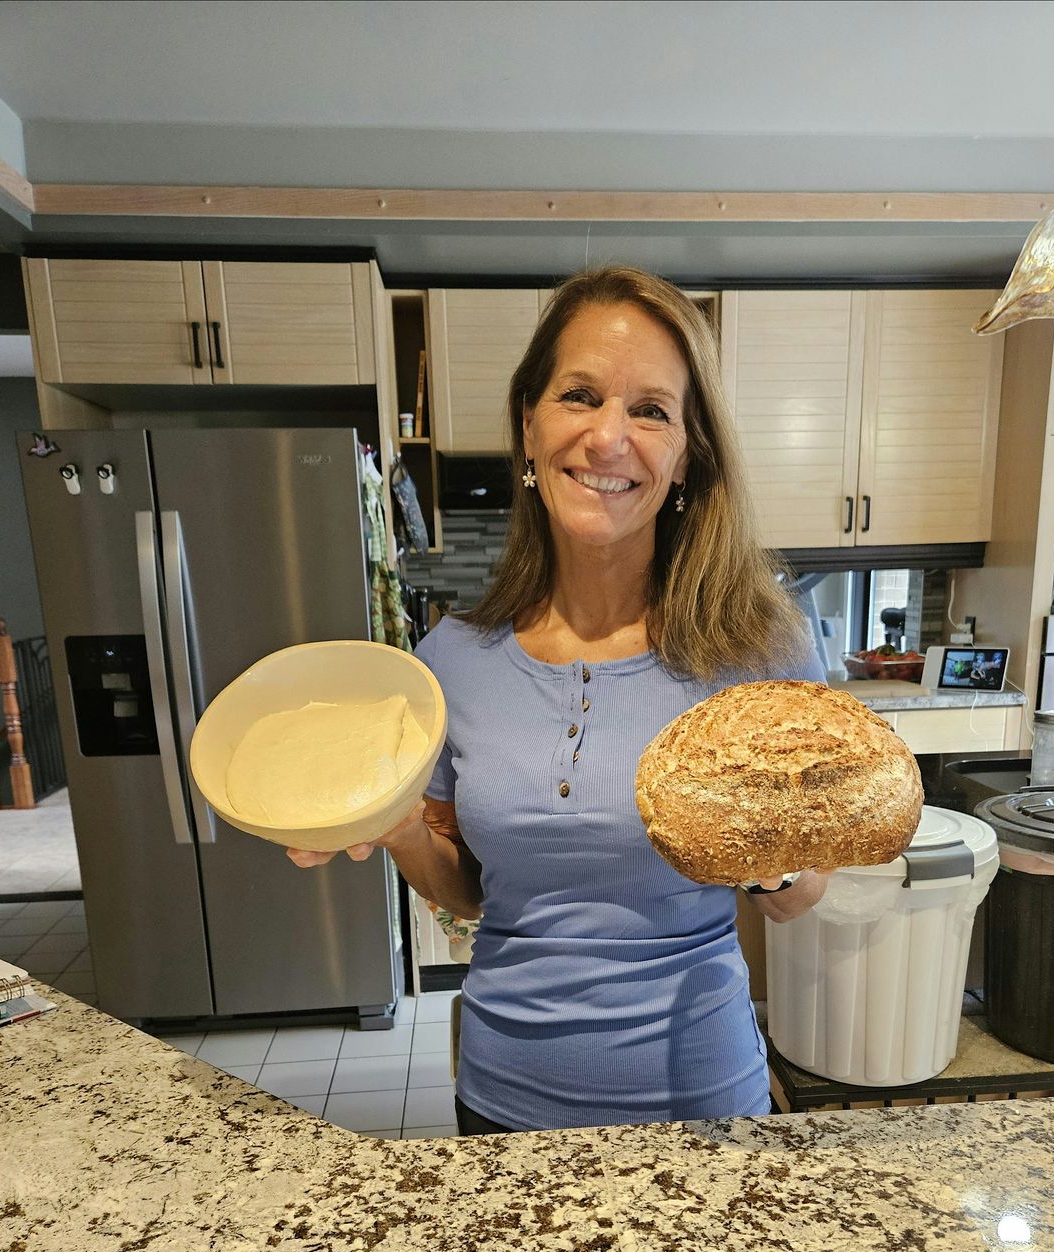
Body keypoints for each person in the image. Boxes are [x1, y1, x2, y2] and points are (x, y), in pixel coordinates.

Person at [289, 266, 828, 1134]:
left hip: (702, 1106)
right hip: (502, 1101)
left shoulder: (760, 652)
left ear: (688, 453)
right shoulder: (450, 661)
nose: (609, 437)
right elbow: (476, 894)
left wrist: (772, 855)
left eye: (651, 410)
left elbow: (803, 895)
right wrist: (394, 829)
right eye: (580, 395)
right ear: (531, 424)